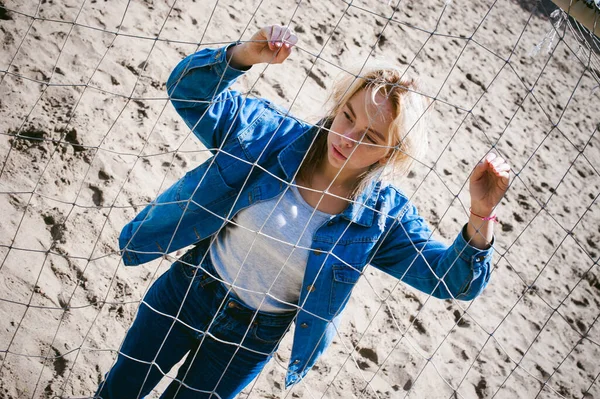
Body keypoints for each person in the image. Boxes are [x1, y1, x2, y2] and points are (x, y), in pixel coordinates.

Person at [96, 24, 511, 399]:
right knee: (119, 391)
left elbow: (451, 281)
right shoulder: (270, 137)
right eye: (347, 116)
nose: (347, 138)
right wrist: (244, 55)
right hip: (188, 291)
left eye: (369, 136)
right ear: (338, 105)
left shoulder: (382, 218)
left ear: (392, 153)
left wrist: (481, 213)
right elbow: (188, 92)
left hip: (248, 340)